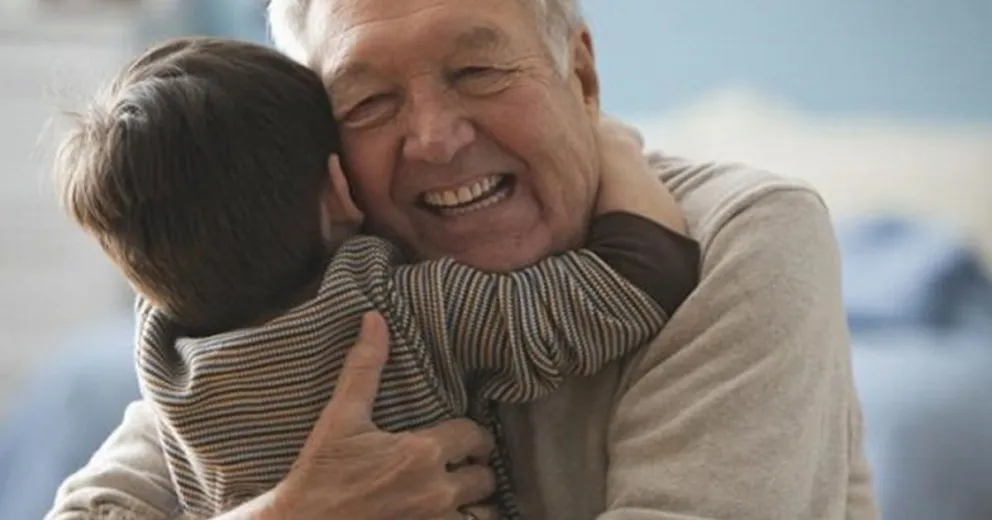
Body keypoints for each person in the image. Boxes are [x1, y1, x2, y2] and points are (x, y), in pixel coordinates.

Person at [45, 0, 880, 519]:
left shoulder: (745, 233)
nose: (436, 139)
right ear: (328, 166)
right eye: (368, 102)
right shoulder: (310, 285)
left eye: (478, 70)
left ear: (583, 76)